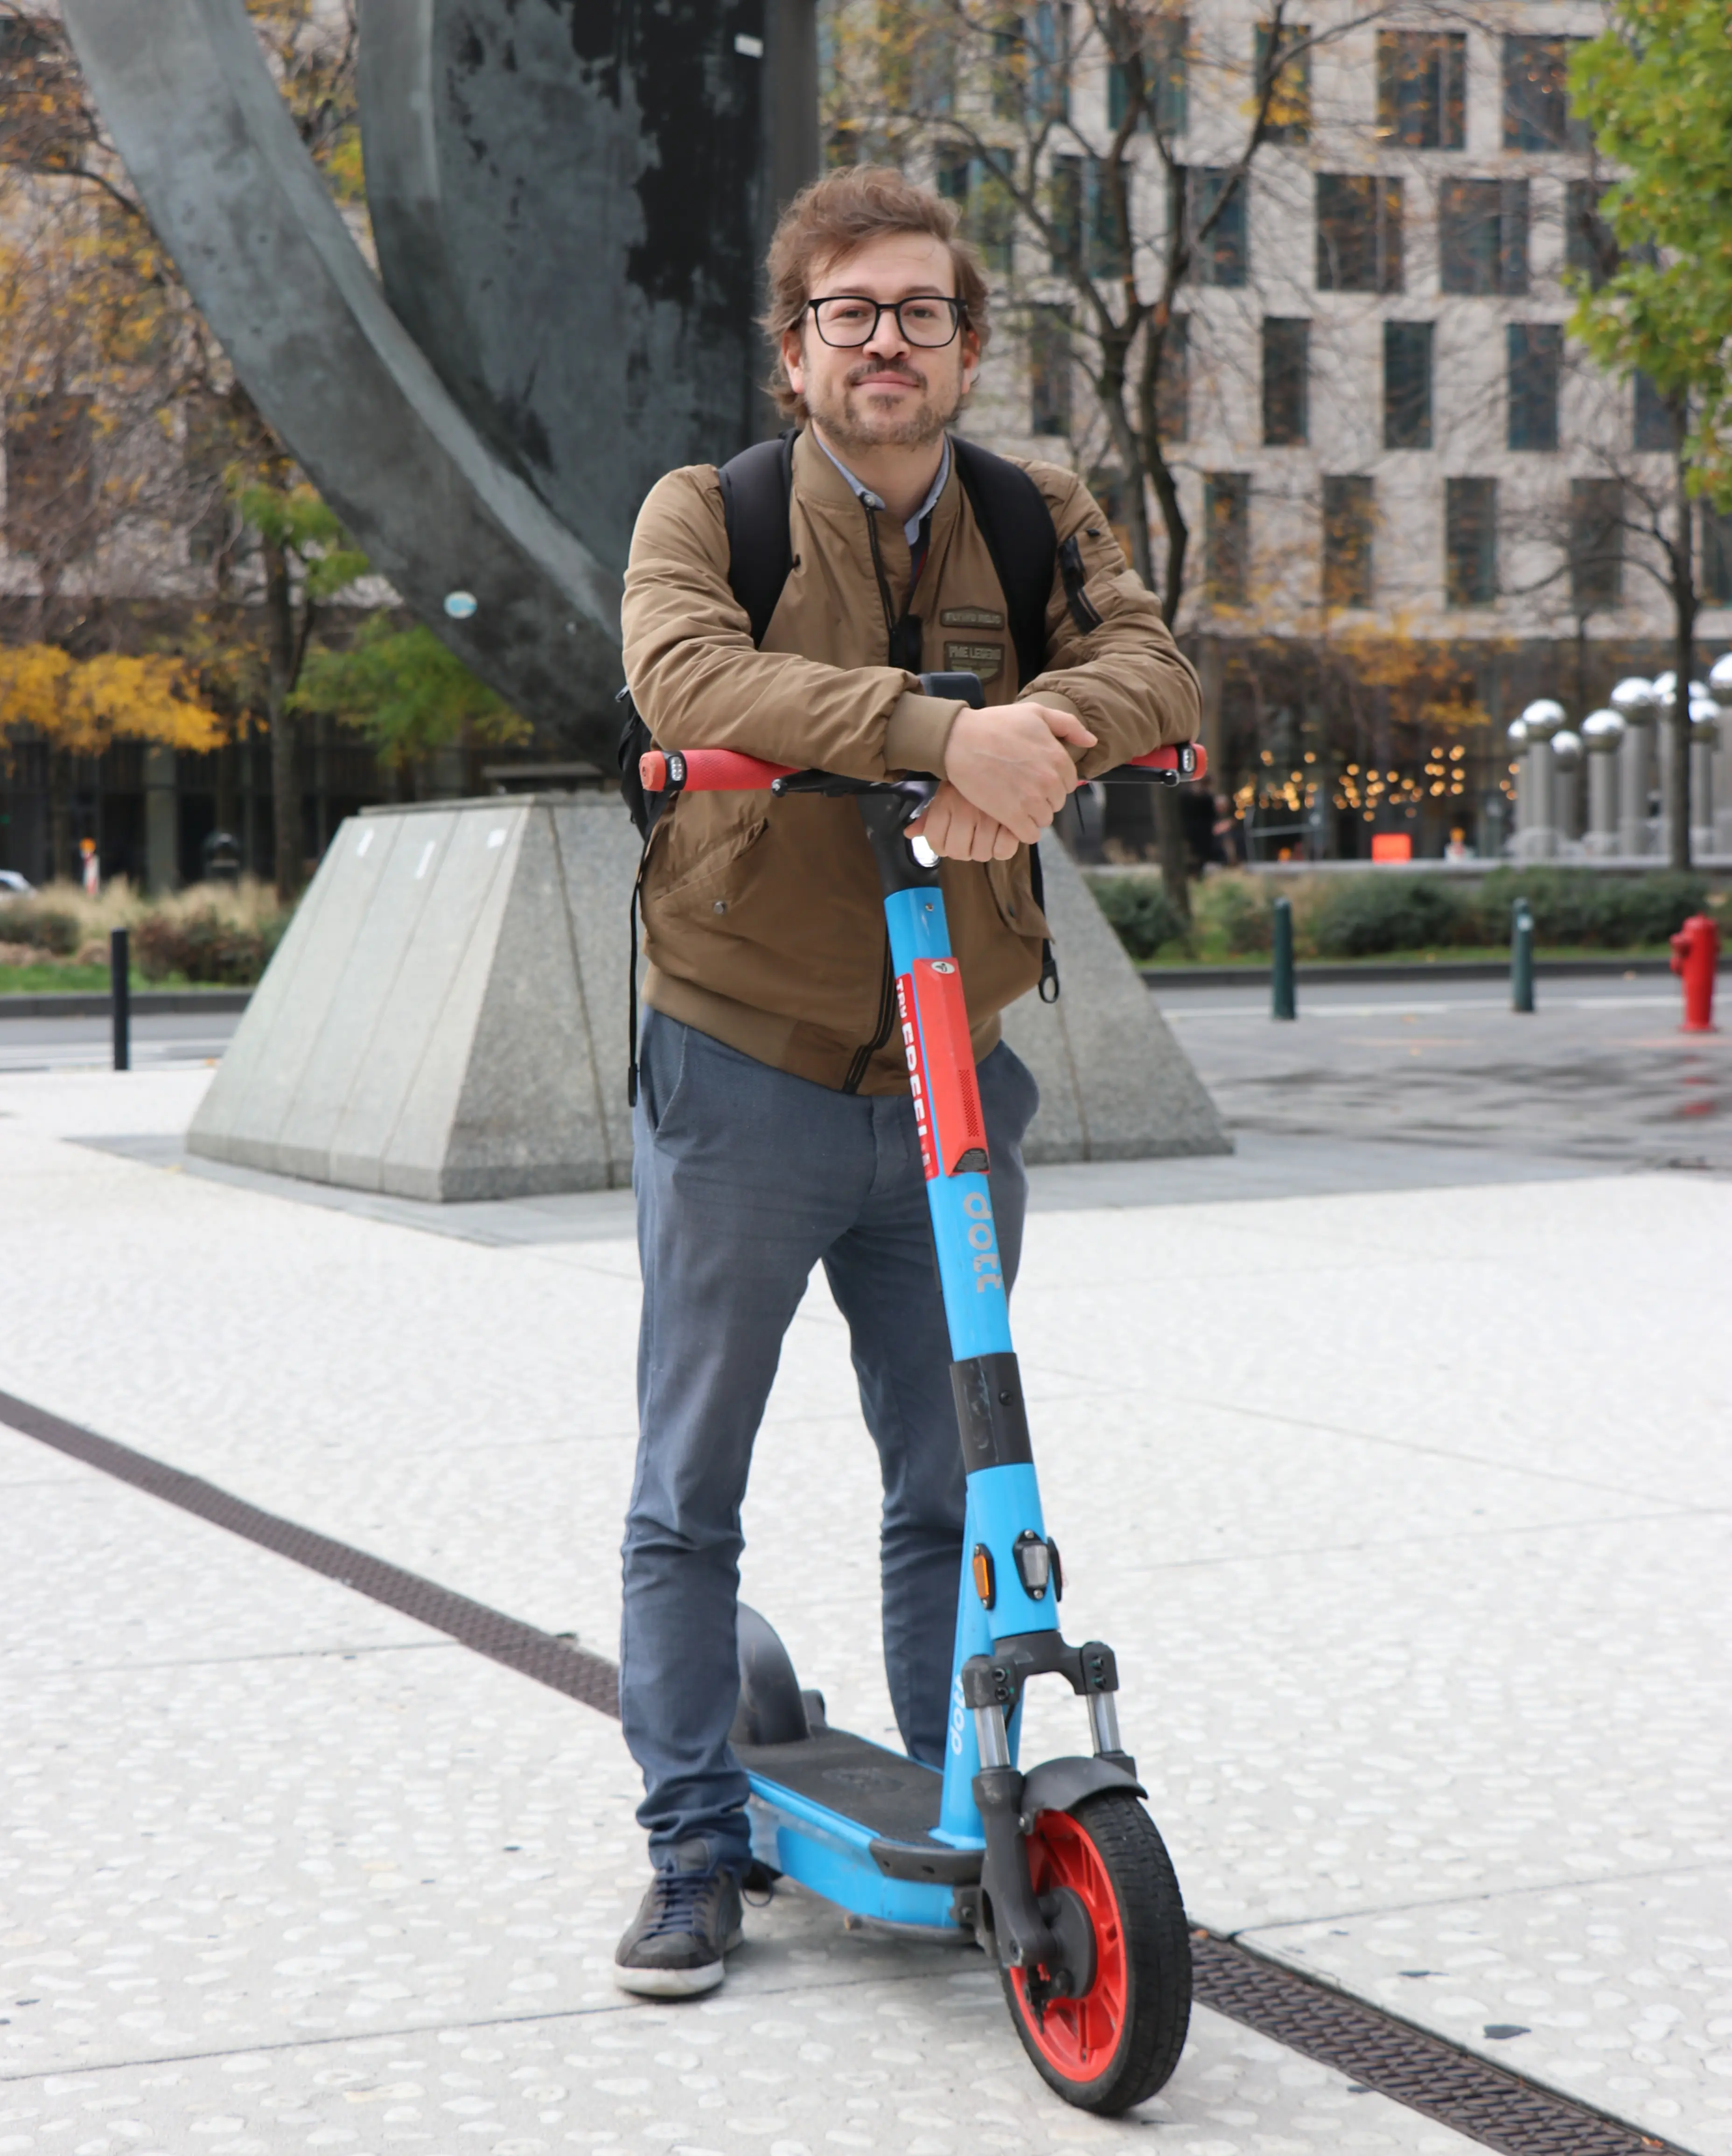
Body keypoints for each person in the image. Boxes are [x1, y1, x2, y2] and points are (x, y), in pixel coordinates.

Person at [614, 165, 1201, 1996]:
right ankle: (696, 1848)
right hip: (745, 1066)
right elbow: (685, 678)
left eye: (922, 313)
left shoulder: (1037, 517)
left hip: (960, 1071)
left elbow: (1157, 665)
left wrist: (1045, 744)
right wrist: (956, 732)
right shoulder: (708, 511)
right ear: (795, 352)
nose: (888, 340)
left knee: (951, 1479)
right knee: (688, 1482)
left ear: (963, 345)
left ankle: (964, 1800)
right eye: (850, 314)